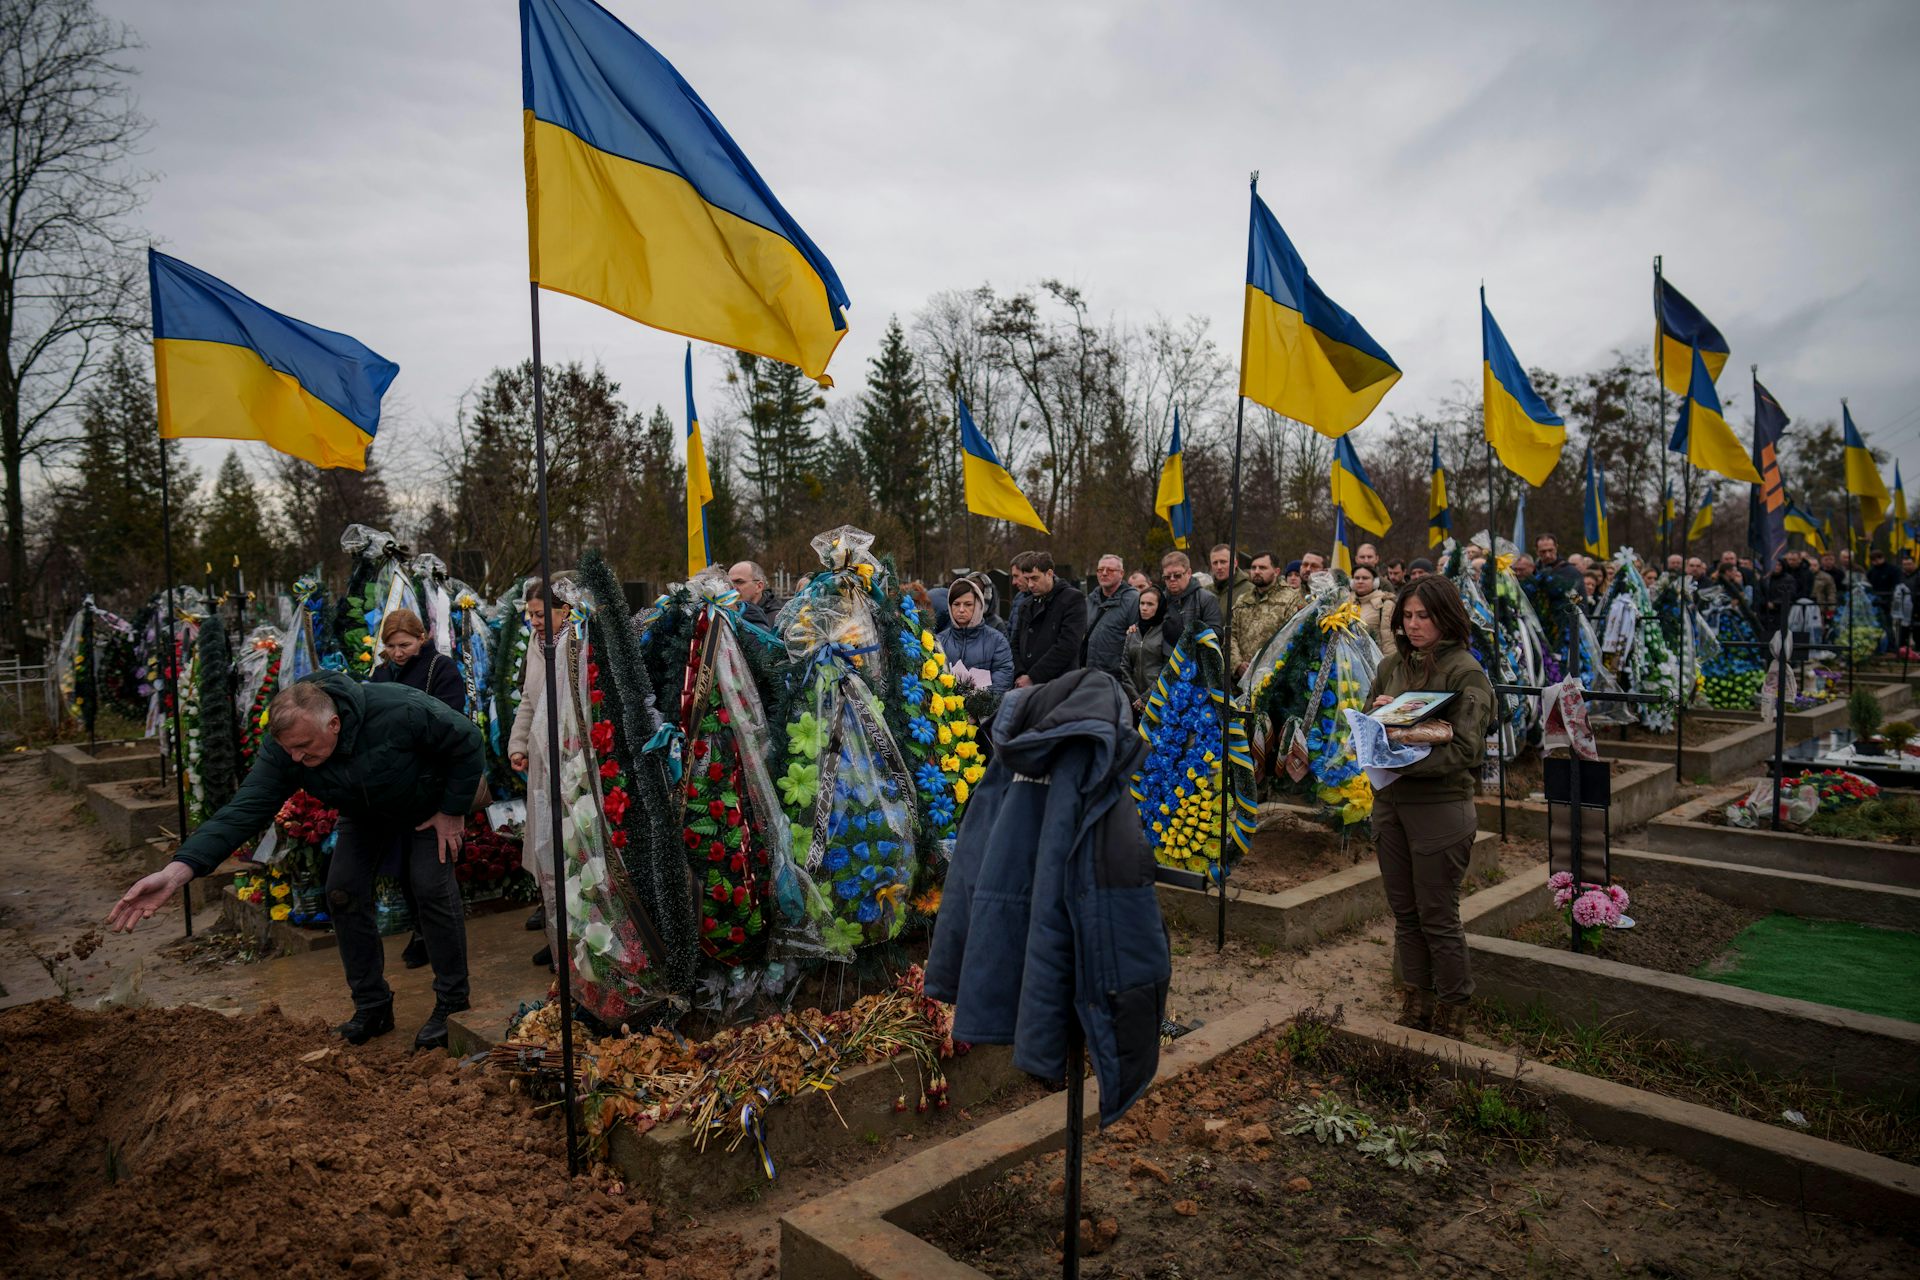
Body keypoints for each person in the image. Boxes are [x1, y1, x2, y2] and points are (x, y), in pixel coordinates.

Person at [109, 673, 484, 1049]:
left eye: (304, 748)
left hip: (427, 804)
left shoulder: (399, 709)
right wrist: (177, 872)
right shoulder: (288, 749)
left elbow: (467, 739)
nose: (297, 759)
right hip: (363, 812)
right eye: (289, 750)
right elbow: (245, 809)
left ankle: (452, 1003)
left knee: (429, 886)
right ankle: (373, 1006)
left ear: (333, 724)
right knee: (342, 891)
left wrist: (452, 810)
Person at [1365, 575, 1493, 1038]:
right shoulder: (1390, 666)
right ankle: (1415, 1004)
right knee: (1405, 914)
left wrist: (1406, 746)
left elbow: (1467, 749)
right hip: (1391, 805)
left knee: (1437, 915)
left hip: (1440, 808)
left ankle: (1453, 1012)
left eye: (1424, 616)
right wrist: (1379, 719)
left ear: (1447, 617)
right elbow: (1368, 726)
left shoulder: (1465, 672)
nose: (1414, 625)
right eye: (1407, 616)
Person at [371, 608, 469, 971]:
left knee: (431, 873)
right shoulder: (381, 674)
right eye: (391, 646)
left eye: (405, 645)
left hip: (431, 786)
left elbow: (450, 719)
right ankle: (419, 928)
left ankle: (438, 936)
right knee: (401, 867)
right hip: (395, 789)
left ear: (421, 638)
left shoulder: (440, 669)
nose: (398, 653)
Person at [510, 577, 571, 968]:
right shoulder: (536, 645)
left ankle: (575, 939)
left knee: (572, 850)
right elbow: (529, 701)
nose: (533, 622)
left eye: (539, 614)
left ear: (564, 610)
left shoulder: (576, 643)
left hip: (572, 762)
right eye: (530, 615)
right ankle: (555, 934)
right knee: (547, 847)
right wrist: (518, 744)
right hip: (541, 759)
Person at [1009, 550, 1087, 688]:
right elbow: (1015, 643)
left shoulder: (1072, 599)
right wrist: (1020, 673)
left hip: (1059, 684)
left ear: (1049, 574)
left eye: (1035, 578)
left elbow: (1067, 645)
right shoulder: (1026, 605)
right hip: (1026, 684)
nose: (1030, 585)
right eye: (1027, 579)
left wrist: (1033, 677)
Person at [1229, 552, 1301, 676]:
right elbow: (1230, 635)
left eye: (1262, 568)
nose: (1256, 571)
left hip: (1273, 676)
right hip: (1240, 678)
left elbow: (1292, 638)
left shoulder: (1291, 598)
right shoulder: (1243, 599)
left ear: (1276, 571)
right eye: (1253, 567)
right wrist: (1237, 664)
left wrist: (1269, 669)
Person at [938, 575, 1014, 692]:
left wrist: (981, 698)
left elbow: (1003, 674)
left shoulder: (997, 640)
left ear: (978, 605)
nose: (961, 610)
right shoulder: (940, 641)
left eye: (968, 604)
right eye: (956, 604)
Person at [1083, 554, 1140, 686]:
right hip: (1090, 675)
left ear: (1121, 574)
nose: (1104, 573)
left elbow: (1137, 642)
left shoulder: (1134, 600)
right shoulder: (1090, 600)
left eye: (1110, 570)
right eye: (1100, 570)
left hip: (1118, 679)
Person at [1158, 550, 1223, 649]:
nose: (1172, 579)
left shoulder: (1207, 599)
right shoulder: (1159, 600)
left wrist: (1186, 637)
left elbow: (1216, 636)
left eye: (1177, 575)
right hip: (1164, 656)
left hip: (1195, 656)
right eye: (1167, 577)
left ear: (1189, 573)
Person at [1125, 586, 1172, 712]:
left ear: (1159, 606)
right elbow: (1124, 667)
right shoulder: (1133, 632)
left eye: (1150, 604)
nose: (1144, 608)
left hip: (1158, 699)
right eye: (1142, 603)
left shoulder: (1166, 631)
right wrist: (1135, 698)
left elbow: (1167, 669)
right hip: (1133, 701)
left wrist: (1145, 698)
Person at [1351, 564, 1396, 659]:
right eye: (1357, 578)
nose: (1360, 581)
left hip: (1377, 661)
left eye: (1365, 578)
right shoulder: (1346, 602)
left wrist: (1388, 664)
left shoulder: (1385, 604)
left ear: (1375, 582)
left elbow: (1389, 642)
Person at [728, 561, 775, 627]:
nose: (732, 588)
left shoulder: (777, 620)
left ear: (759, 587)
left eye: (739, 582)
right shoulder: (725, 614)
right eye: (729, 583)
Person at [1209, 544, 1252, 614]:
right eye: (1215, 563)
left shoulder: (1250, 590)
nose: (1219, 567)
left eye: (1223, 562)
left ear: (1235, 563)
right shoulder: (1204, 592)